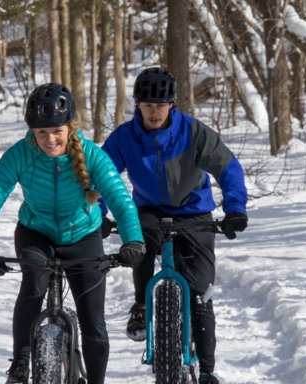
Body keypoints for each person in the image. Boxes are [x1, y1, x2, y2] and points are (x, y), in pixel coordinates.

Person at [0, 83, 146, 384]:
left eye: (57, 131)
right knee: (33, 285)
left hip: (83, 236)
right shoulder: (21, 154)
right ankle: (21, 363)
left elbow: (120, 199)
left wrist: (134, 240)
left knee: (93, 319)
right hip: (36, 233)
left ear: (70, 127)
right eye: (42, 132)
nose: (50, 139)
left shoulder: (91, 155)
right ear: (32, 131)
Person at [100, 67, 248, 384]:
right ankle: (141, 303)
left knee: (199, 294)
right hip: (148, 208)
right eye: (148, 105)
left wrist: (235, 207)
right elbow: (101, 175)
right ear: (137, 105)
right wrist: (97, 213)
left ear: (172, 105)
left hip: (193, 210)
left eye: (161, 105)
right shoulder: (124, 138)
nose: (155, 112)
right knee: (136, 243)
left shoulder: (194, 132)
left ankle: (207, 370)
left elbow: (228, 167)